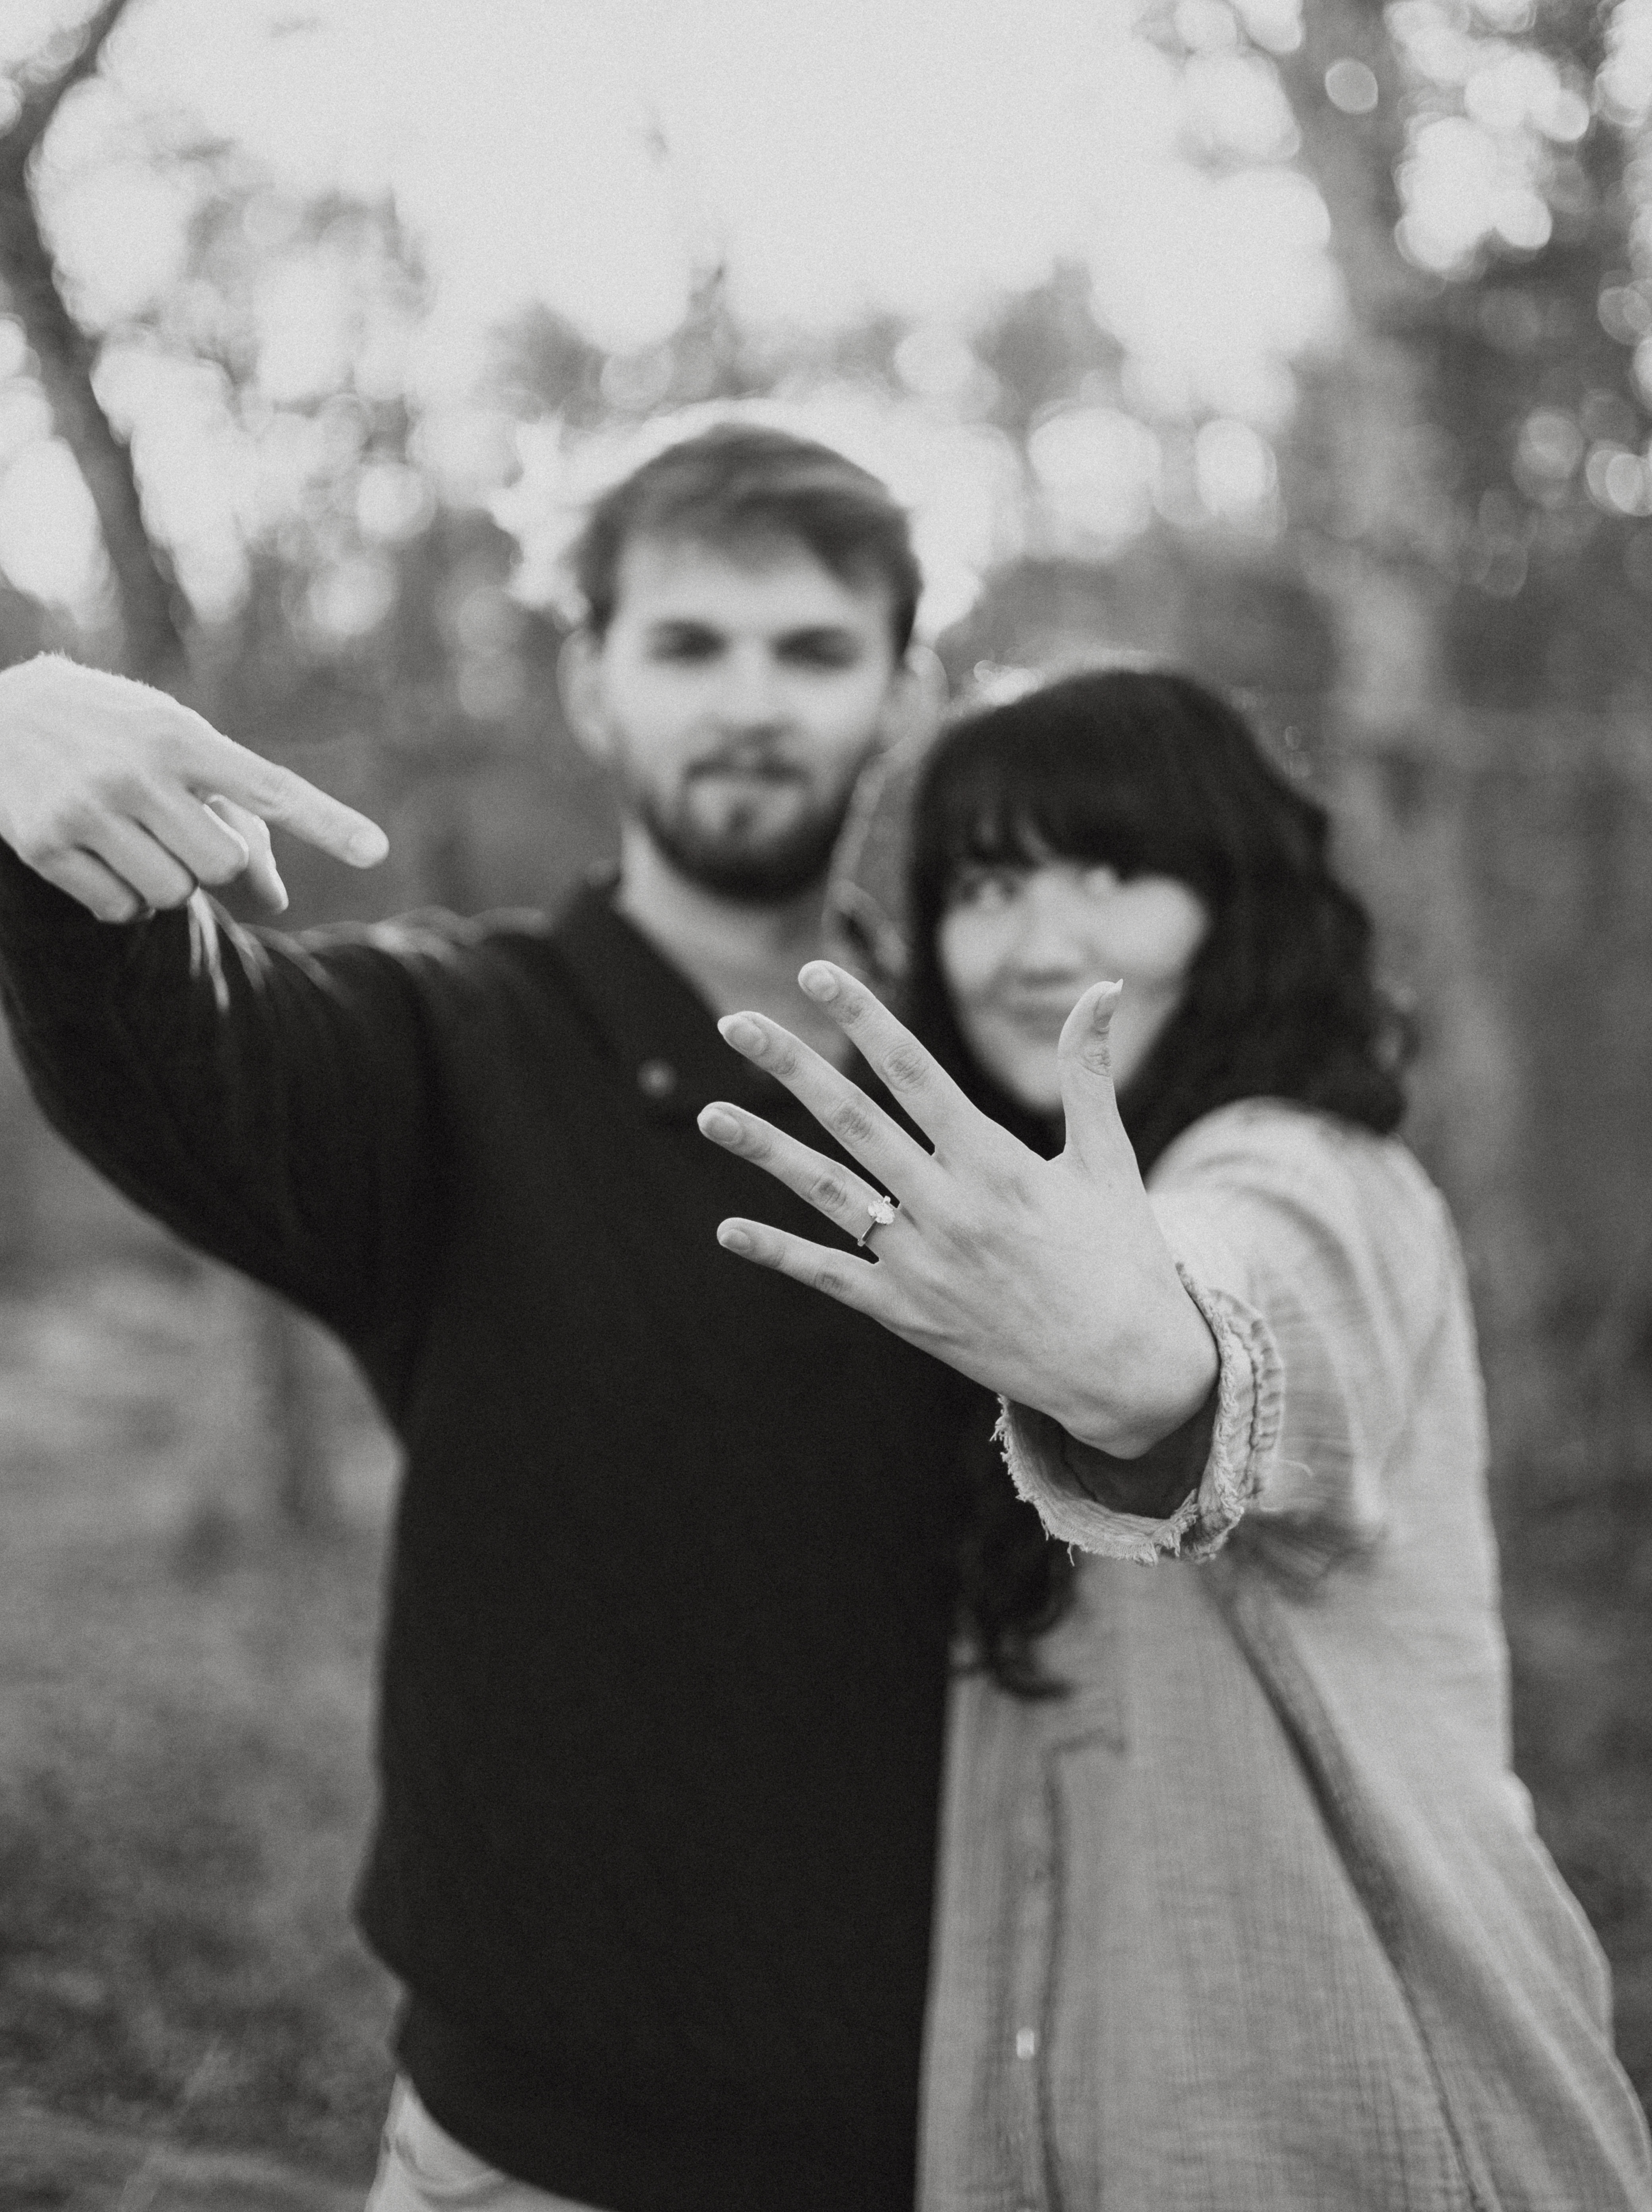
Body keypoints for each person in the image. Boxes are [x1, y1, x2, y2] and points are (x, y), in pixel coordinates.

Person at [0, 423, 1005, 2212]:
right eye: (687, 645)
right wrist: (56, 837)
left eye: (812, 649)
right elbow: (200, 1049)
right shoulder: (451, 1038)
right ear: (589, 682)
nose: (748, 702)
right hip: (540, 2151)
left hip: (1005, 2124)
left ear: (905, 689)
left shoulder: (1017, 1099)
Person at [696, 665, 1652, 2212]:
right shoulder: (994, 1265)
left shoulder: (1314, 1177)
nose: (1043, 942)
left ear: (1231, 905)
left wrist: (1136, 1365)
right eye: (990, 884)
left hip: (1397, 2141)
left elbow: (1227, 1325)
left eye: (1111, 873)